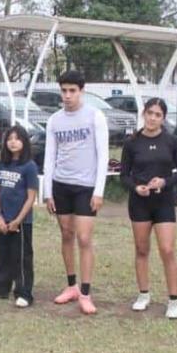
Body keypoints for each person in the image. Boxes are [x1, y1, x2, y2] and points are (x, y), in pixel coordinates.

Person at [42, 71, 109, 315]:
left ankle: (86, 292)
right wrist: (48, 192)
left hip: (86, 187)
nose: (68, 95)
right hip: (61, 185)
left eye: (72, 90)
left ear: (82, 90)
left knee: (84, 238)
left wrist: (98, 191)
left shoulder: (95, 116)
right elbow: (49, 157)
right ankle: (71, 286)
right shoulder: (54, 120)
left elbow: (103, 156)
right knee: (67, 235)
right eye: (64, 90)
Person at [119, 97, 177, 319]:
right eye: (150, 113)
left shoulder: (171, 142)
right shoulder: (132, 143)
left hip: (164, 202)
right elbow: (123, 176)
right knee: (141, 249)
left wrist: (165, 182)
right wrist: (136, 187)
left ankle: (174, 299)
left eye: (158, 115)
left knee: (167, 249)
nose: (153, 118)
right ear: (143, 114)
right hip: (139, 202)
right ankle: (143, 294)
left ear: (163, 118)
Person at [0, 125, 38, 307]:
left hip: (21, 222)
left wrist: (18, 220)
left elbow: (31, 197)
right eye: (9, 139)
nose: (13, 142)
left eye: (17, 138)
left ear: (24, 142)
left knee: (22, 256)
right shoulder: (2, 164)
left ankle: (24, 292)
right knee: (3, 254)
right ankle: (0, 287)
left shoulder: (29, 167)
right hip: (3, 219)